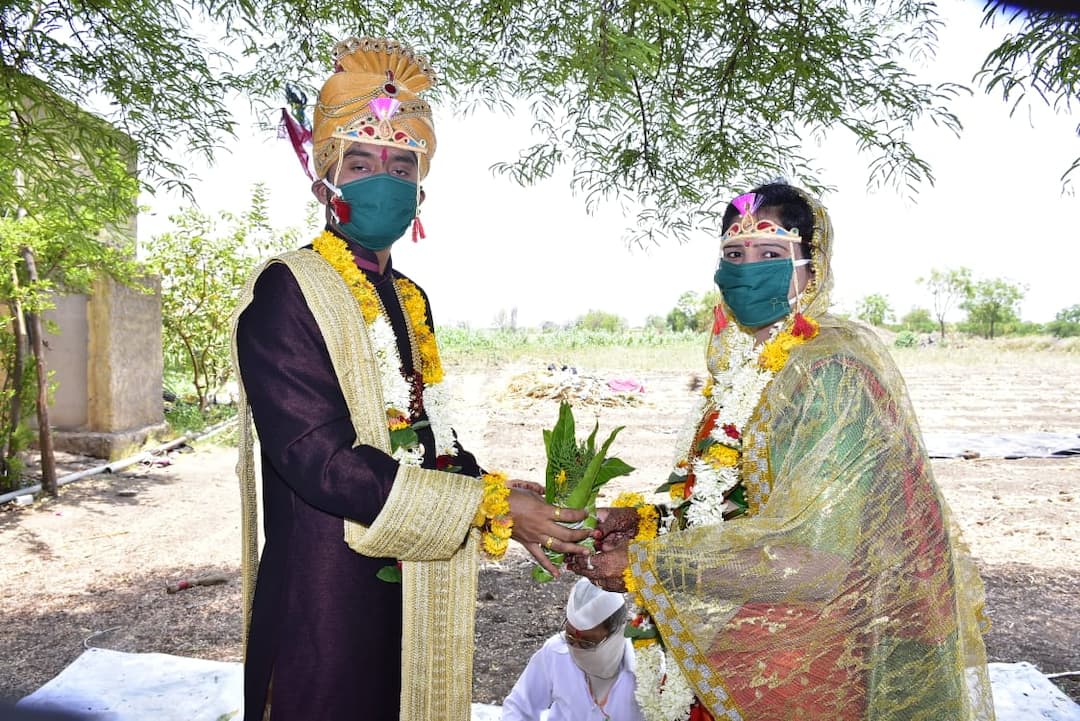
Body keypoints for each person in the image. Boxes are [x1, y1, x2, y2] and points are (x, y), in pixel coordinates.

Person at [231, 36, 591, 721]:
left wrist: (498, 489)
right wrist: (487, 508)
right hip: (323, 599)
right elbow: (322, 461)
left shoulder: (410, 296)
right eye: (361, 161)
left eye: (402, 165)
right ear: (324, 180)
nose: (384, 180)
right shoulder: (287, 291)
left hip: (411, 584)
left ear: (421, 191)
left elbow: (428, 436)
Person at [569, 182, 996, 721]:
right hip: (731, 638)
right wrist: (644, 520)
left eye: (771, 254)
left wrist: (649, 565)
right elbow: (732, 504)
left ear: (812, 269)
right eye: (733, 254)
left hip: (804, 658)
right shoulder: (744, 370)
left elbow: (816, 561)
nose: (748, 269)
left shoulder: (829, 374)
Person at [501, 578, 644, 721]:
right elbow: (519, 707)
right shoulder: (556, 652)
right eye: (570, 638)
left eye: (587, 643)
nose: (576, 649)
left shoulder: (648, 670)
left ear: (617, 634)